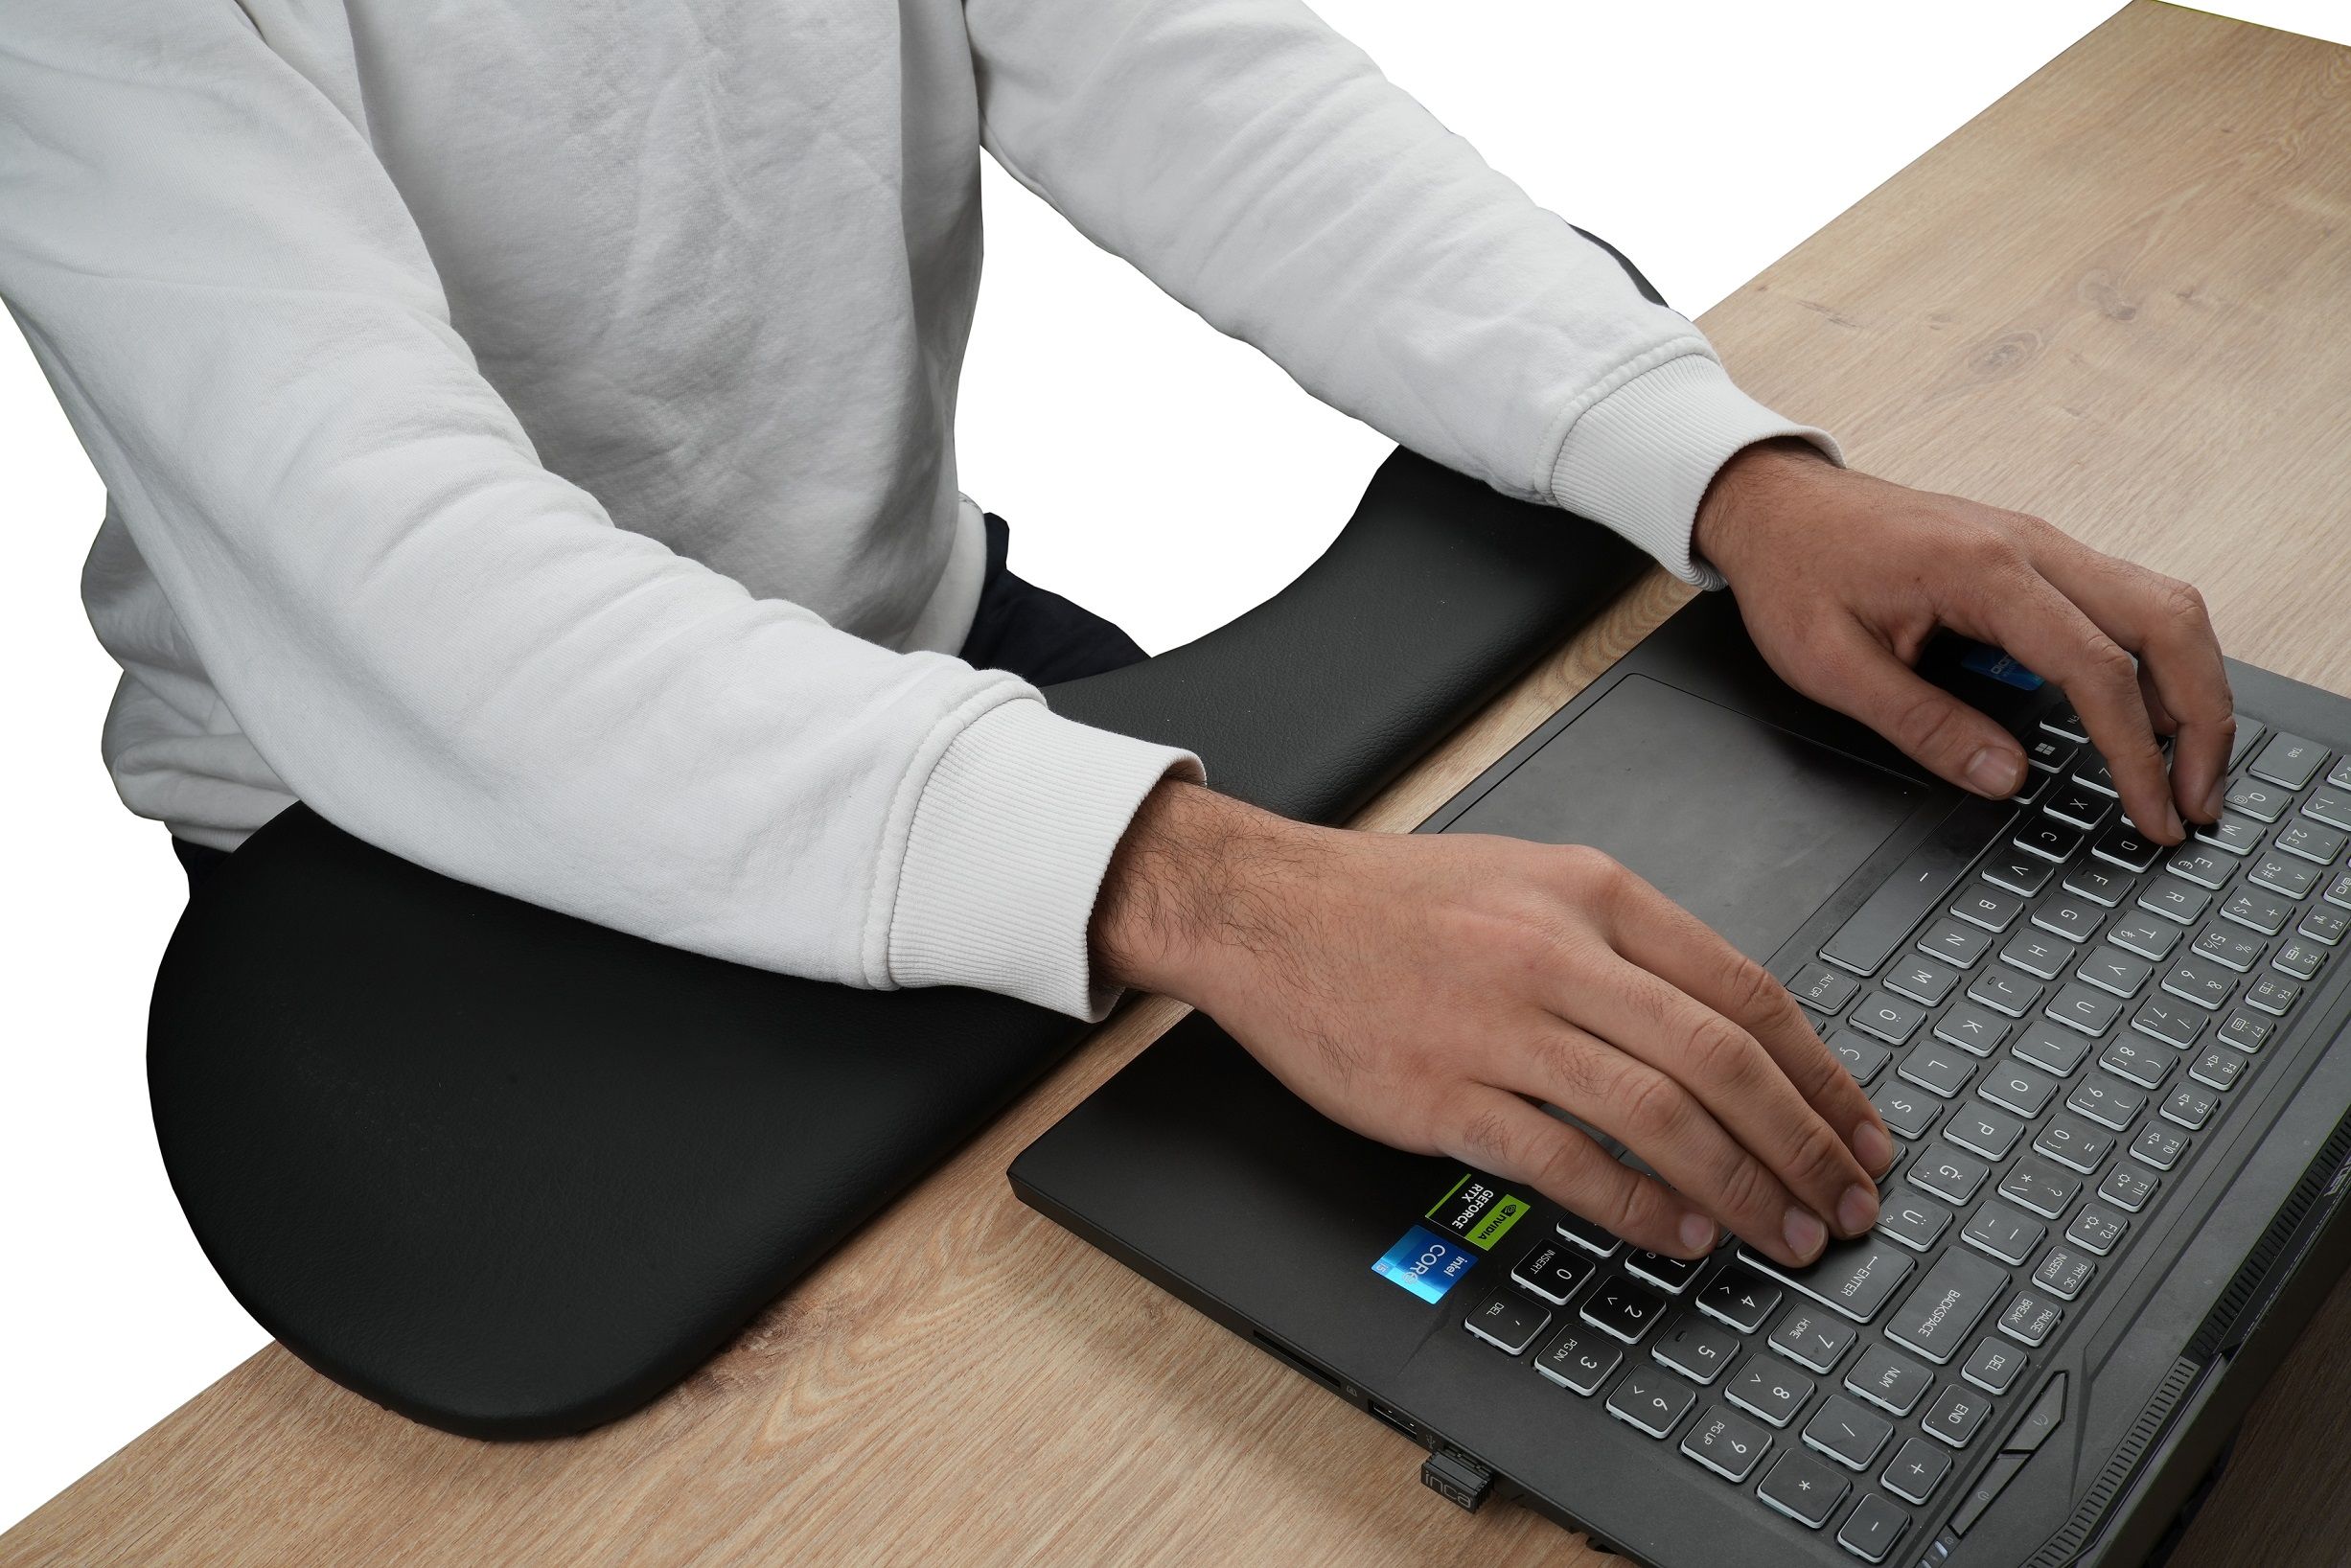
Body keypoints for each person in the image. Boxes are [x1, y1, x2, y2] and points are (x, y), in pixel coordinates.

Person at [1, 2, 2231, 1278]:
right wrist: (1219, 889)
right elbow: (405, 584)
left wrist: (1733, 473)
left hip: (924, 665)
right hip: (413, 850)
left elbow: (1194, 80)